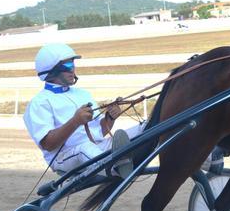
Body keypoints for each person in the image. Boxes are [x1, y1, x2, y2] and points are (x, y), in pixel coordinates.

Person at [23, 43, 142, 177]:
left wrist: (110, 118)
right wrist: (75, 121)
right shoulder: (39, 103)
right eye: (67, 66)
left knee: (143, 127)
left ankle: (129, 160)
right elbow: (48, 144)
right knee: (85, 149)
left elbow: (99, 132)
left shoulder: (82, 94)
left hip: (97, 148)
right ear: (51, 70)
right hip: (65, 157)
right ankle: (118, 169)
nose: (72, 69)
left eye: (73, 64)